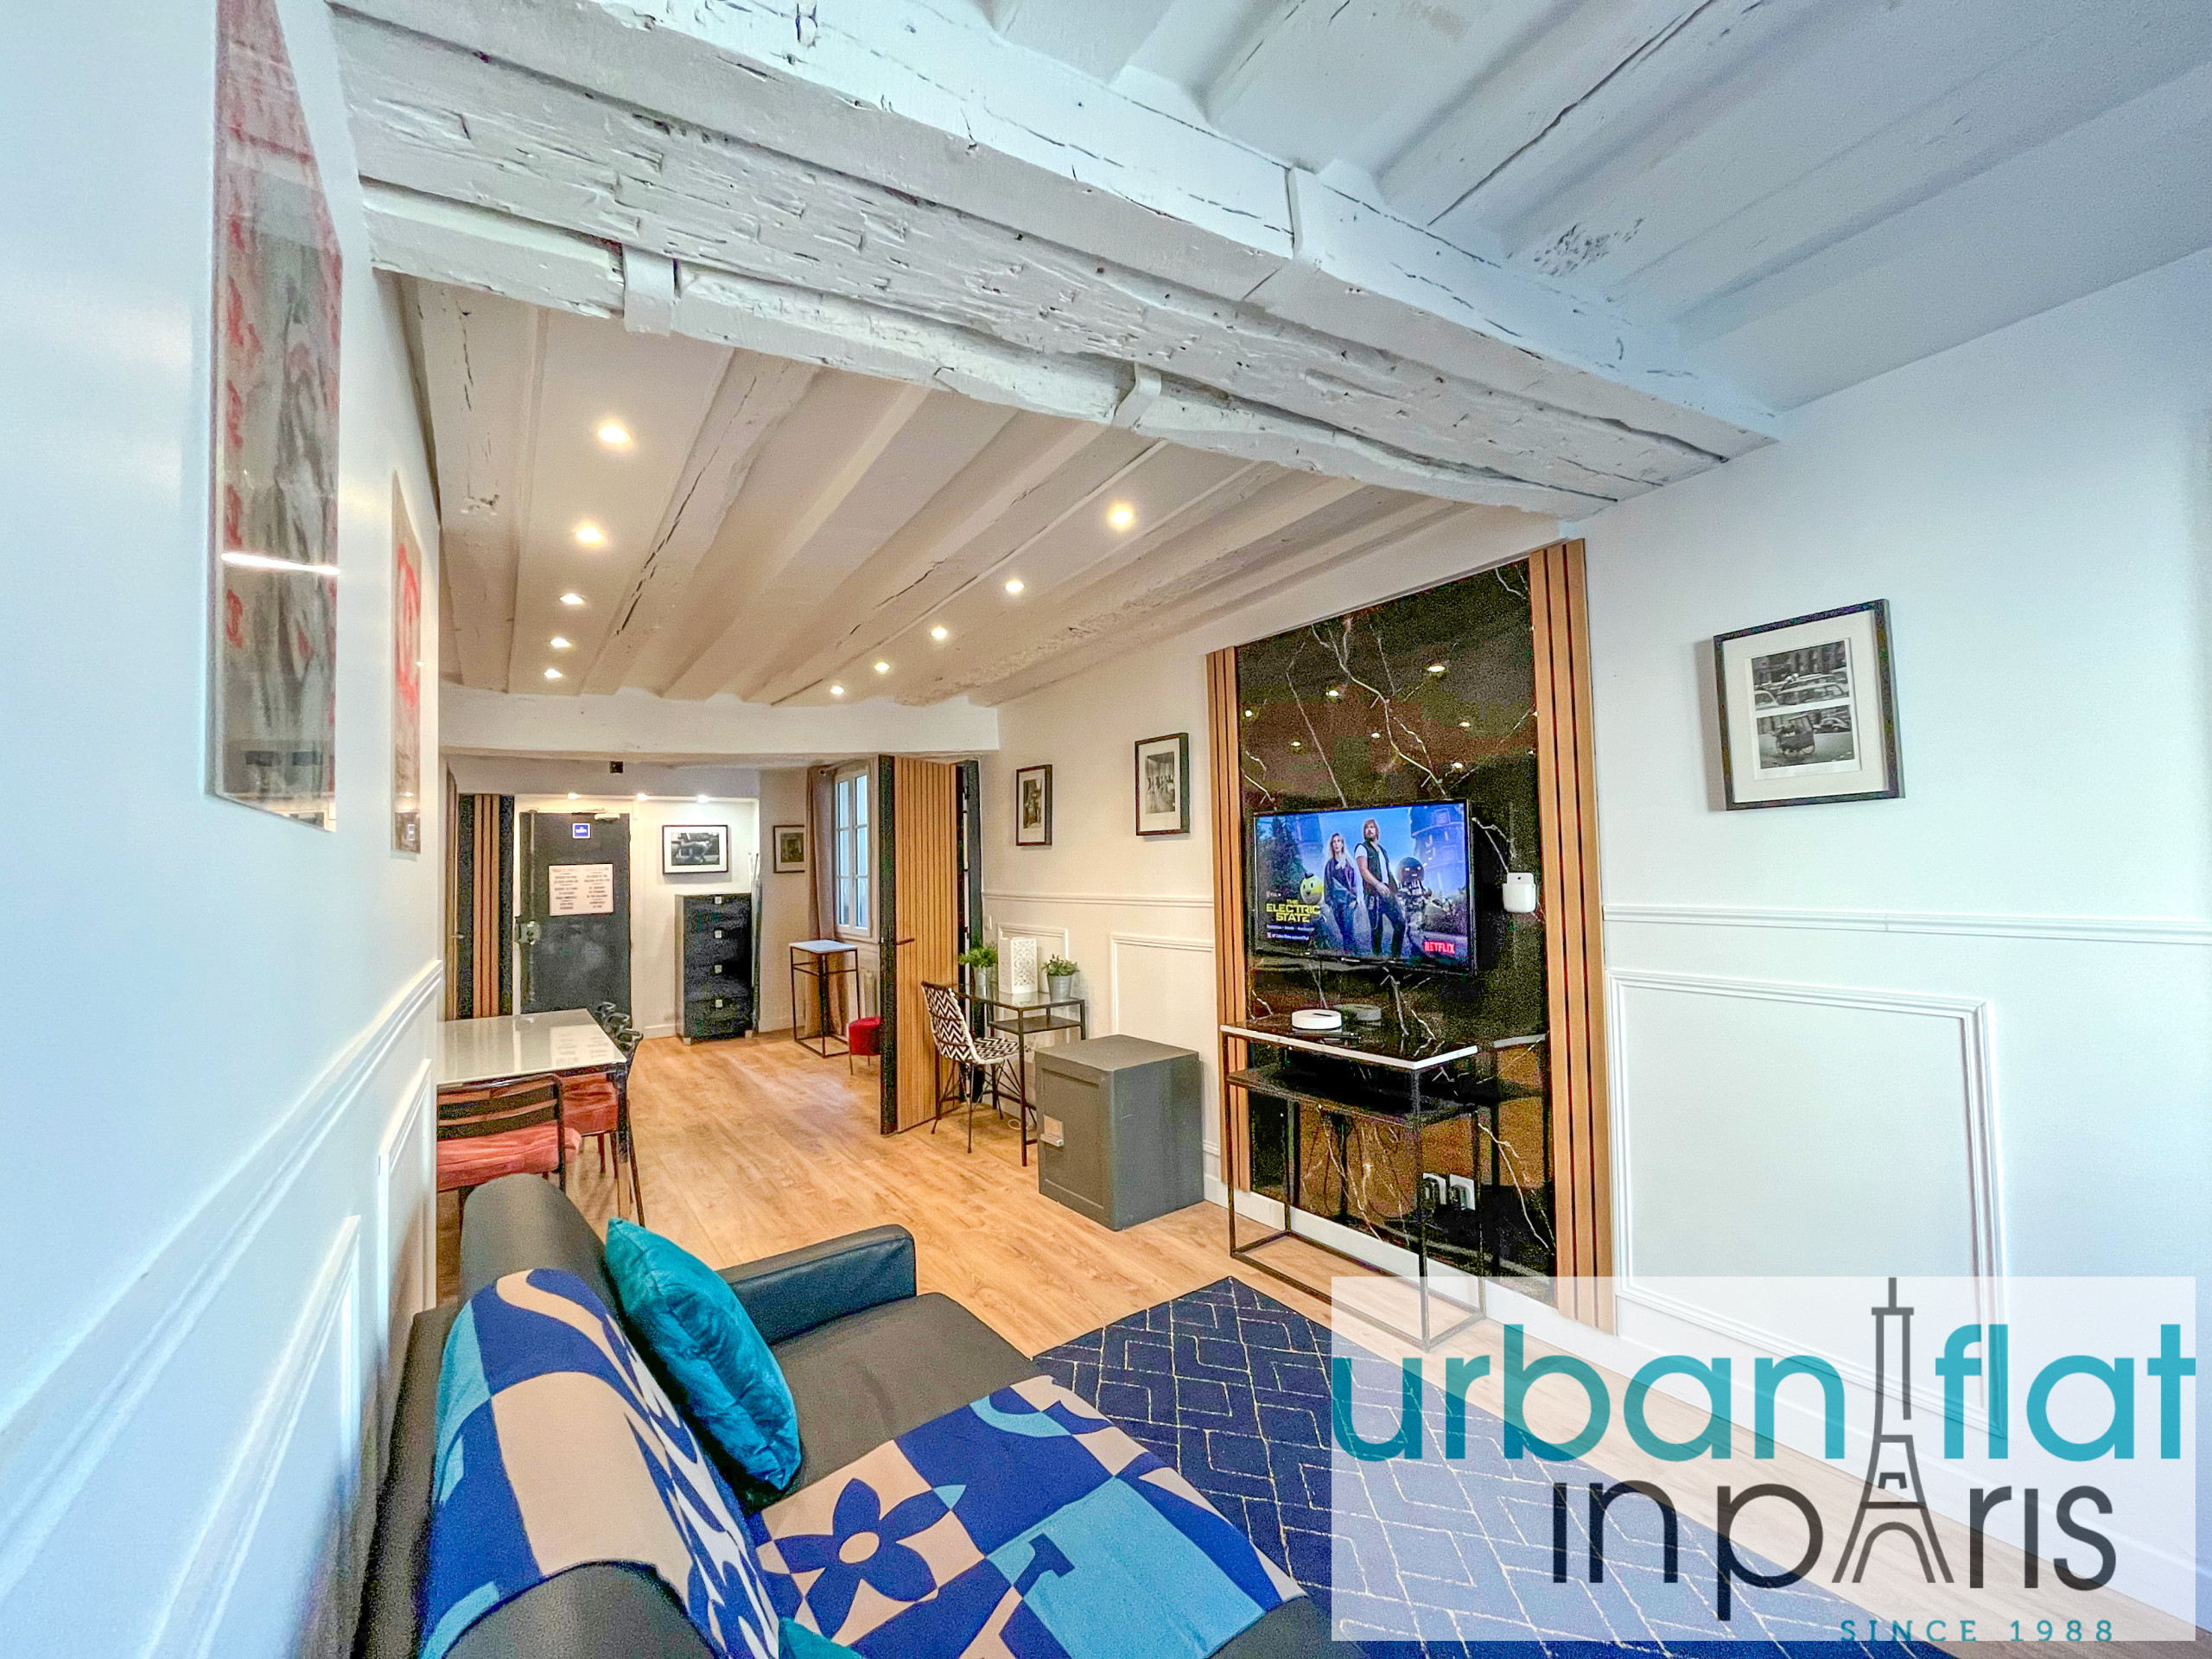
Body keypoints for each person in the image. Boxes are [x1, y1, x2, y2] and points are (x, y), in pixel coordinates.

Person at [1356, 817, 1406, 958]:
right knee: (1377, 930)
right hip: (1373, 895)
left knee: (1400, 923)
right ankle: (1377, 959)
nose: (1369, 829)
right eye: (1367, 827)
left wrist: (1396, 891)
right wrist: (1377, 884)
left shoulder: (1383, 851)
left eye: (1372, 827)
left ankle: (1395, 957)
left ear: (1377, 830)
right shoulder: (1362, 848)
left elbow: (1387, 872)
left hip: (1388, 893)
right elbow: (1363, 870)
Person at [1321, 831, 1360, 952]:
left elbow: (1354, 883)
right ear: (1332, 845)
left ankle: (1350, 954)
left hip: (1348, 903)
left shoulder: (1348, 863)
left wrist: (1354, 899)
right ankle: (1354, 952)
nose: (1336, 844)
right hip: (1336, 903)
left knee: (1348, 931)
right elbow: (1327, 884)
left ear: (1342, 844)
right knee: (1343, 931)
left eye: (1339, 841)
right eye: (1334, 842)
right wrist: (1329, 902)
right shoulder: (1329, 865)